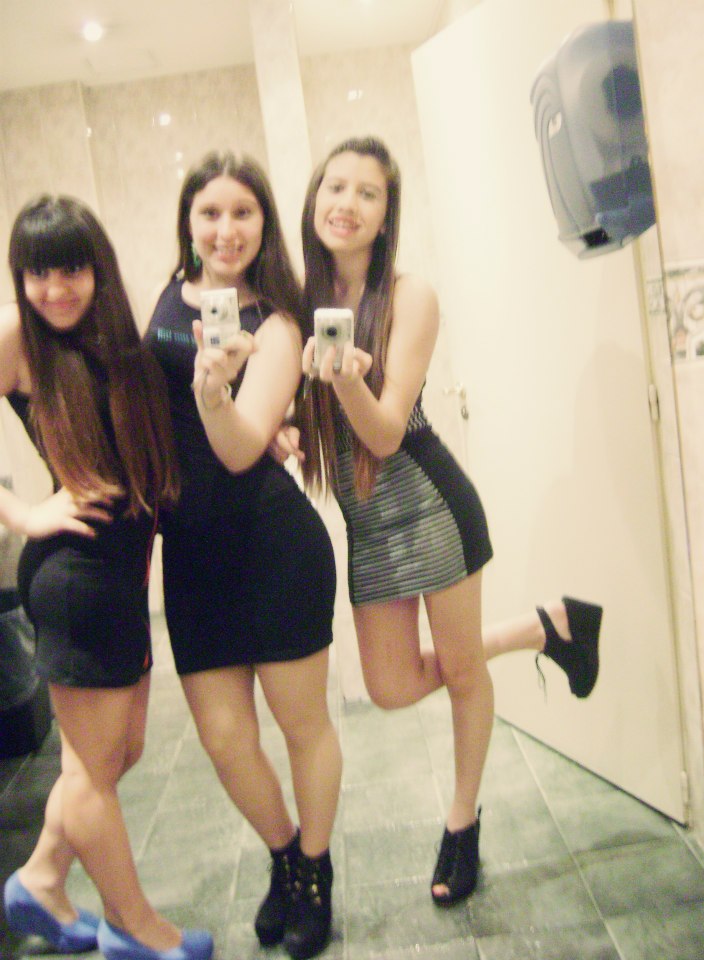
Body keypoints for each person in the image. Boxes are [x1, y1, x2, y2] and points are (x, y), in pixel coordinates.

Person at [298, 136, 603, 907]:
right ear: (314, 199)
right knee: (391, 687)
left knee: (463, 675)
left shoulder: (411, 297)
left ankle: (462, 824)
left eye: (368, 192)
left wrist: (347, 381)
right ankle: (544, 627)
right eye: (335, 186)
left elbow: (385, 433)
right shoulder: (295, 302)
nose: (347, 203)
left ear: (386, 214)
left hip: (430, 505)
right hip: (369, 527)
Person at [0, 196, 213, 960]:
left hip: (121, 578)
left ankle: (41, 881)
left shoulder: (122, 343)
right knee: (91, 771)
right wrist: (25, 514)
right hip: (74, 580)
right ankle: (133, 927)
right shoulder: (17, 340)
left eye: (70, 269)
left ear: (97, 269)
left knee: (119, 755)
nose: (54, 289)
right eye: (37, 273)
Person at [145, 151, 341, 960]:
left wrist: (213, 391)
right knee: (226, 739)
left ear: (265, 225)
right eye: (210, 212)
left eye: (243, 213)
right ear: (188, 221)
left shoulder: (280, 325)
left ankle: (316, 876)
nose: (226, 229)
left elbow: (237, 450)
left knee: (301, 726)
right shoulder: (166, 297)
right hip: (192, 556)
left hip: (273, 548)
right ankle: (284, 854)